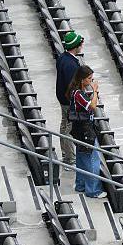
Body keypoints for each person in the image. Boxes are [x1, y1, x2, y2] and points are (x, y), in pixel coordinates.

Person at [66, 65, 103, 198]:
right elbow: (92, 106)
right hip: (84, 130)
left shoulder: (77, 92)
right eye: (89, 78)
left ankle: (81, 185)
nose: (91, 81)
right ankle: (93, 190)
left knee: (81, 158)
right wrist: (95, 92)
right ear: (82, 79)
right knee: (93, 159)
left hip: (80, 129)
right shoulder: (78, 94)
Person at [55, 31, 84, 165]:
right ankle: (69, 159)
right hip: (68, 102)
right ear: (76, 46)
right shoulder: (70, 65)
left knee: (64, 126)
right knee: (68, 129)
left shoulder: (63, 58)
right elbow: (72, 86)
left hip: (63, 99)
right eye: (80, 44)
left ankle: (67, 155)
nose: (82, 46)